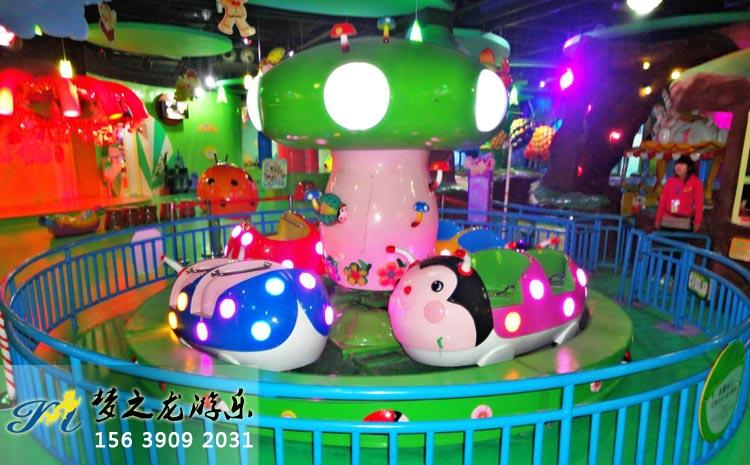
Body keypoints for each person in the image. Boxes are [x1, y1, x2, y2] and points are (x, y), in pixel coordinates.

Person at [655, 156, 704, 233]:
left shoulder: (696, 182)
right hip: (666, 222)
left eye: (682, 164)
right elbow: (662, 202)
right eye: (676, 164)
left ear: (689, 167)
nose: (678, 166)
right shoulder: (669, 181)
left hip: (684, 223)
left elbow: (699, 204)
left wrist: (697, 222)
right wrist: (658, 219)